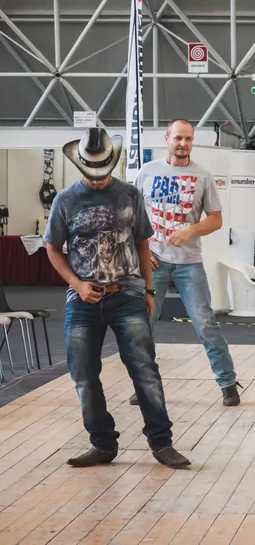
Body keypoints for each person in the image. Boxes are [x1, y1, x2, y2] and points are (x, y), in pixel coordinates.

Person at [43, 128, 190, 469]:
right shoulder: (65, 200)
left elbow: (142, 242)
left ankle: (161, 443)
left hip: (127, 294)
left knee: (144, 370)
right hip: (82, 299)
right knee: (83, 373)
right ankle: (102, 443)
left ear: (111, 164)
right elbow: (52, 248)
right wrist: (77, 285)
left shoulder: (129, 195)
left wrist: (149, 289)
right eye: (91, 172)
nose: (97, 180)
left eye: (103, 172)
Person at [128, 118, 241, 407]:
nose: (183, 144)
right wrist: (143, 251)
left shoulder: (202, 176)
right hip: (153, 262)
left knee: (205, 323)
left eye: (188, 139)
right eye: (178, 138)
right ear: (166, 139)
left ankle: (227, 382)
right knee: (145, 325)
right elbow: (131, 218)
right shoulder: (146, 172)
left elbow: (216, 219)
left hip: (189, 263)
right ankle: (143, 387)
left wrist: (190, 230)